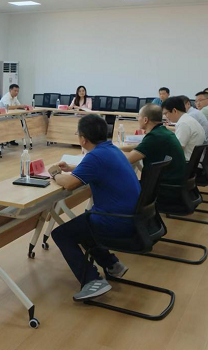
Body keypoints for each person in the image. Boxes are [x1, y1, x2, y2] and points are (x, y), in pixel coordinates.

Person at [49, 115, 140, 301]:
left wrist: (55, 173)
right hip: (134, 218)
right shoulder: (111, 150)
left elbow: (69, 184)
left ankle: (92, 281)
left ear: (83, 139)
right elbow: (96, 168)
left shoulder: (95, 156)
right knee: (84, 222)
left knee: (61, 233)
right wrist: (72, 168)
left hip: (117, 222)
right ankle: (112, 264)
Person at [122, 104, 187, 209]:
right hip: (174, 184)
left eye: (139, 116)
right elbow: (141, 146)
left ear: (145, 120)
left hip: (164, 190)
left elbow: (126, 160)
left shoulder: (154, 137)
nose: (138, 119)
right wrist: (119, 148)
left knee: (121, 182)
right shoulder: (163, 132)